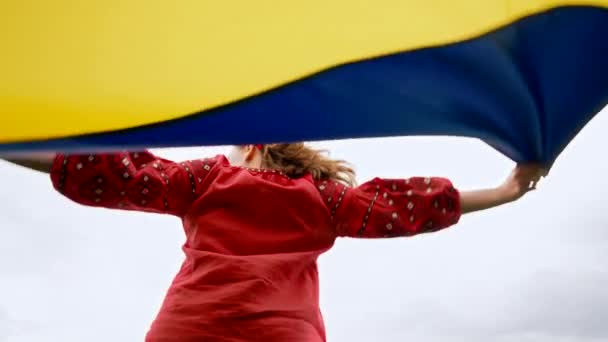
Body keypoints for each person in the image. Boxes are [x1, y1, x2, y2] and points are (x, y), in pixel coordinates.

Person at [4, 143, 545, 342]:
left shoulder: (206, 179)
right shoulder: (325, 199)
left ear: (254, 146)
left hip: (193, 325)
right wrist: (502, 191)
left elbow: (108, 171)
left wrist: (8, 146)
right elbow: (408, 208)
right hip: (283, 331)